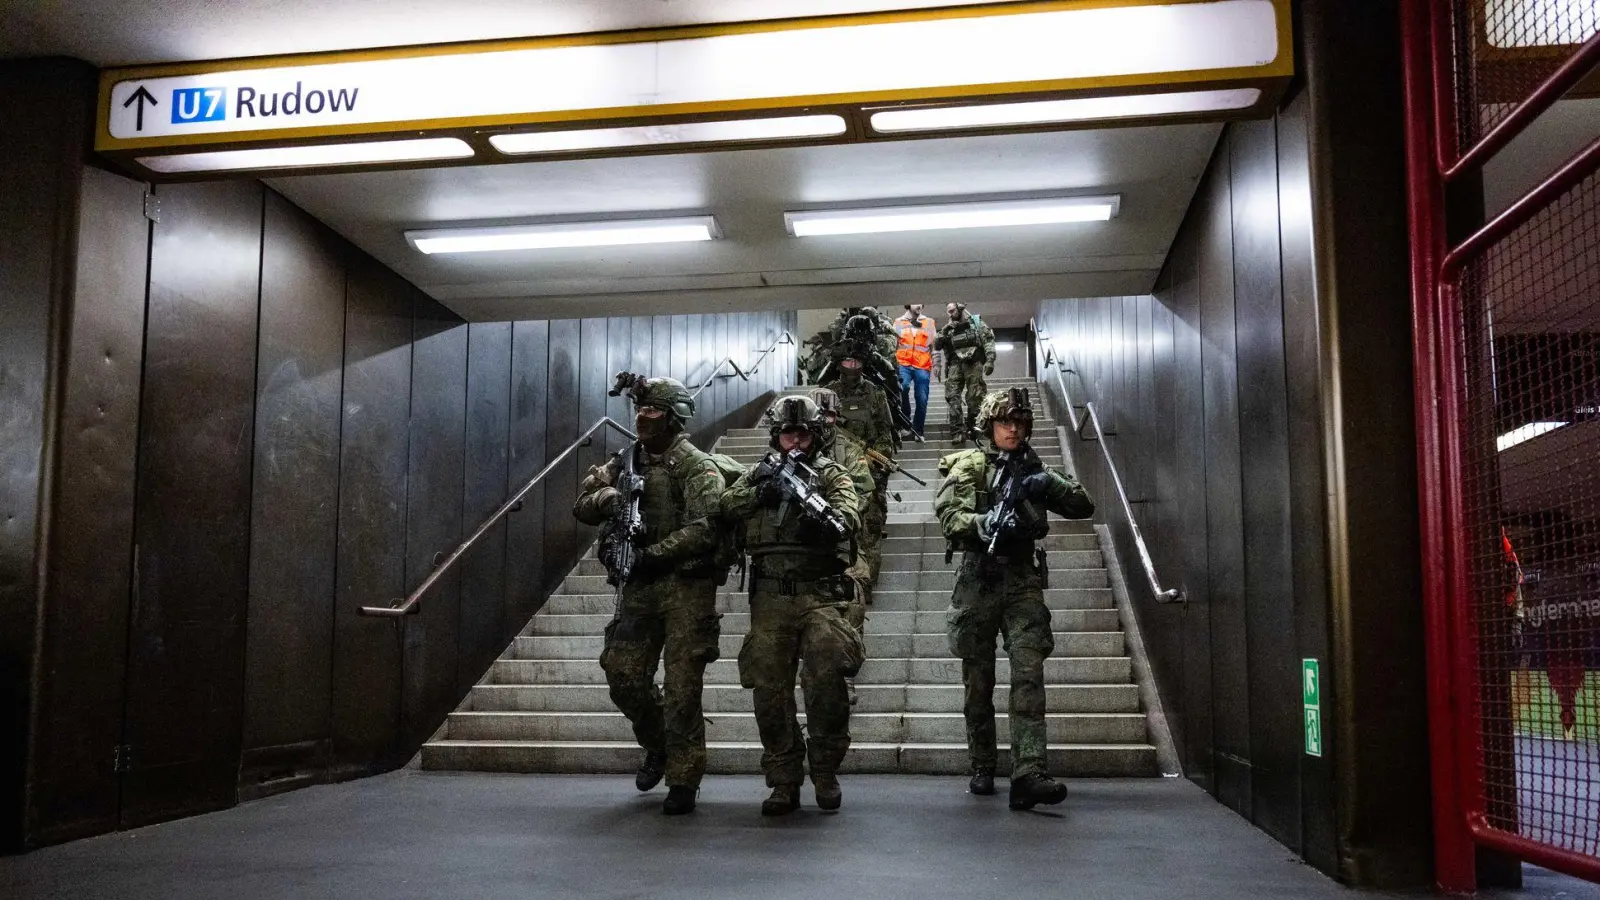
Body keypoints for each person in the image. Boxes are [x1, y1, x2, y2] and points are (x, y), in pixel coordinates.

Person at [572, 374, 728, 816]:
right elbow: (581, 505)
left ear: (675, 417)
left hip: (685, 589)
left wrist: (652, 555)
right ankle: (658, 745)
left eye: (654, 410)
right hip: (638, 590)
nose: (643, 416)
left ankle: (684, 778)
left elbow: (704, 528)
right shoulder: (626, 461)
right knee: (623, 678)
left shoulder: (696, 466)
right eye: (640, 409)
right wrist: (608, 499)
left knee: (681, 689)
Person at [933, 388, 1096, 810]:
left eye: (1021, 423)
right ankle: (983, 764)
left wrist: (1051, 482)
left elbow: (1083, 505)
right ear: (989, 425)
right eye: (1006, 422)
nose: (1014, 429)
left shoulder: (1034, 468)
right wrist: (982, 521)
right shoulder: (969, 465)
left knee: (1028, 673)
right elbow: (950, 516)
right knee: (978, 682)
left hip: (1022, 577)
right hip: (979, 577)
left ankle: (1029, 771)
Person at [720, 396, 864, 815]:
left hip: (819, 593)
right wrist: (762, 491)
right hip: (769, 600)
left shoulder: (831, 475)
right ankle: (783, 779)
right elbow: (725, 508)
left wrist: (817, 514)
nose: (795, 441)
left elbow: (849, 517)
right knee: (769, 691)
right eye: (788, 433)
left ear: (816, 435)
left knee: (827, 683)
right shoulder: (757, 473)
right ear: (776, 436)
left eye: (803, 433)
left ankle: (824, 770)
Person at [933, 303, 996, 446]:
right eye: (948, 312)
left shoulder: (976, 322)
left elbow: (988, 340)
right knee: (952, 396)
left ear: (960, 309)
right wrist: (946, 328)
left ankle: (974, 428)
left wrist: (990, 360)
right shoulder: (948, 328)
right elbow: (936, 345)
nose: (950, 314)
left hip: (973, 362)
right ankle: (957, 431)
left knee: (975, 396)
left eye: (952, 311)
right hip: (955, 363)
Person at [893, 304, 937, 439]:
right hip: (903, 364)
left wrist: (937, 365)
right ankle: (906, 423)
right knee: (903, 388)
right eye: (915, 302)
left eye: (920, 303)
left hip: (922, 365)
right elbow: (893, 345)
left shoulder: (928, 322)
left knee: (922, 398)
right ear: (908, 305)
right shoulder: (898, 322)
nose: (919, 305)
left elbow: (933, 347)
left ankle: (918, 430)